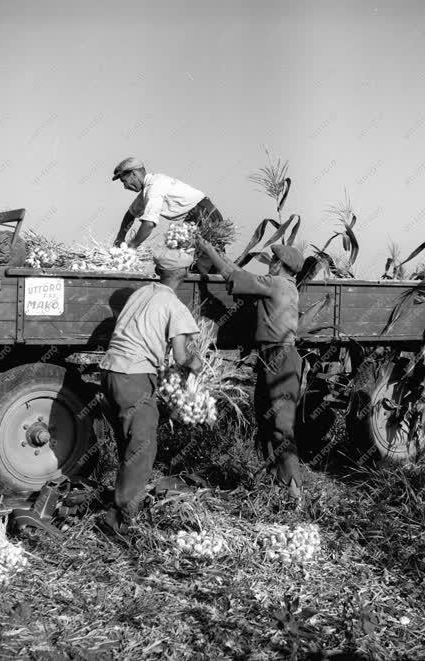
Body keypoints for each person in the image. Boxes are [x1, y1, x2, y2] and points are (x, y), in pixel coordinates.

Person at [98, 247, 202, 535]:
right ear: (183, 273)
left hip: (110, 371)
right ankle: (120, 521)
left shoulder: (141, 293)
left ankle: (122, 502)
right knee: (143, 445)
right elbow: (181, 358)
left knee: (129, 442)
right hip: (133, 375)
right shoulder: (174, 305)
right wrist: (197, 363)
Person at [195, 236, 304, 500]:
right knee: (267, 423)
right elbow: (240, 274)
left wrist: (209, 249)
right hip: (271, 357)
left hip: (281, 358)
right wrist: (219, 253)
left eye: (274, 260)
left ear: (281, 265)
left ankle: (296, 493)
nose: (270, 264)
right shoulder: (282, 285)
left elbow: (234, 277)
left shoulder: (277, 284)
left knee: (281, 428)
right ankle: (275, 486)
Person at [111, 157, 224, 251]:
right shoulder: (148, 188)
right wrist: (120, 237)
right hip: (195, 217)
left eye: (124, 181)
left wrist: (132, 246)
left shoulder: (154, 188)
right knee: (183, 260)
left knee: (204, 262)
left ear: (134, 174)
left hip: (204, 216)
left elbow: (149, 224)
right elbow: (130, 214)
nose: (125, 187)